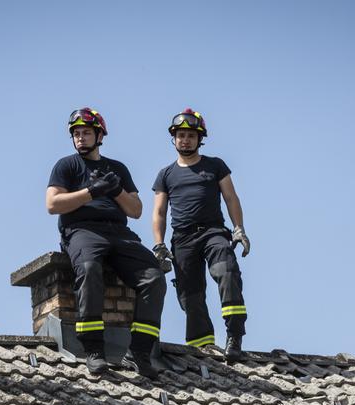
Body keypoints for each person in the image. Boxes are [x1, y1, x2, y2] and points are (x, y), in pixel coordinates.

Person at [46, 107, 166, 379]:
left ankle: (139, 351)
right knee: (89, 269)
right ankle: (94, 350)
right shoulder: (66, 166)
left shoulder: (118, 168)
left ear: (100, 135)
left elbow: (135, 210)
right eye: (76, 134)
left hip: (119, 233)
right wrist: (91, 193)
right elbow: (52, 204)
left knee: (154, 277)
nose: (80, 138)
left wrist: (115, 190)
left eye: (86, 132)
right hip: (81, 231)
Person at [151, 108, 250, 362]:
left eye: (191, 136)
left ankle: (234, 334)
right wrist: (159, 244)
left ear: (200, 139)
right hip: (182, 239)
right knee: (190, 295)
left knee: (226, 271)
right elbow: (159, 212)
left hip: (213, 232)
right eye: (181, 135)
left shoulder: (215, 166)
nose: (185, 140)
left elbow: (231, 197)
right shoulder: (165, 174)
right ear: (173, 139)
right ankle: (202, 348)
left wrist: (238, 228)